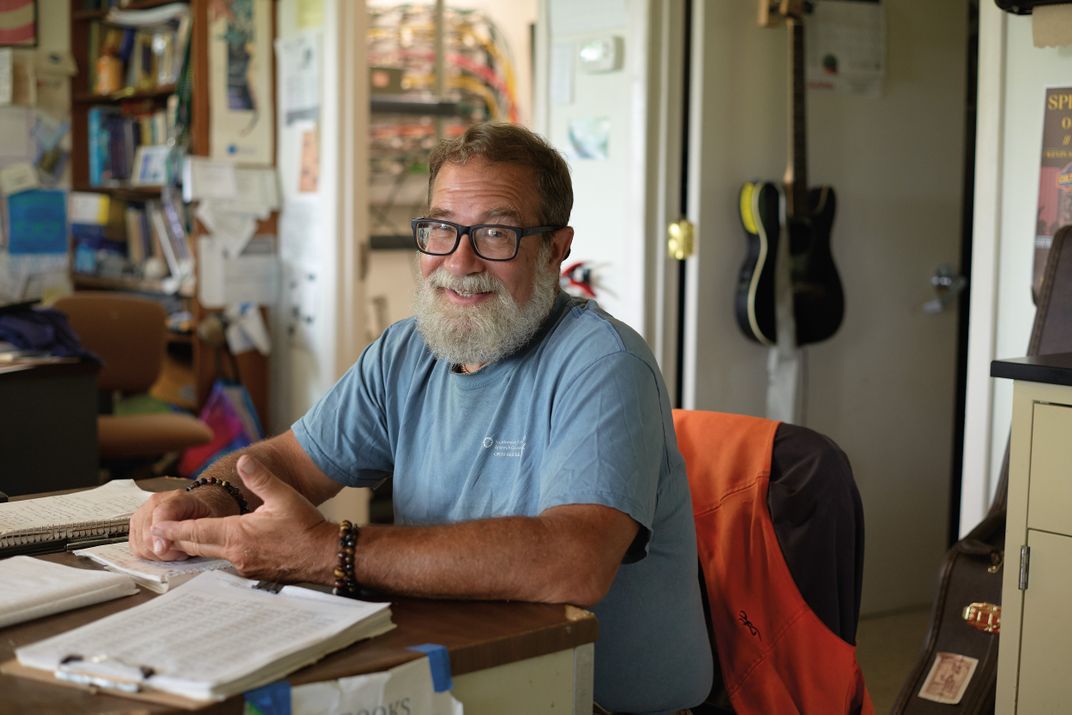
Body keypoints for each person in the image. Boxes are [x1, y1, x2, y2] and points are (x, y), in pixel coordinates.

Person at [130, 122, 713, 713]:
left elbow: (574, 562)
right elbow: (287, 463)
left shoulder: (602, 362)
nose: (459, 262)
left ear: (556, 249)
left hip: (590, 700)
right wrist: (210, 496)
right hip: (454, 679)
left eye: (496, 233)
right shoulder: (406, 350)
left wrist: (328, 550)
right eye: (441, 229)